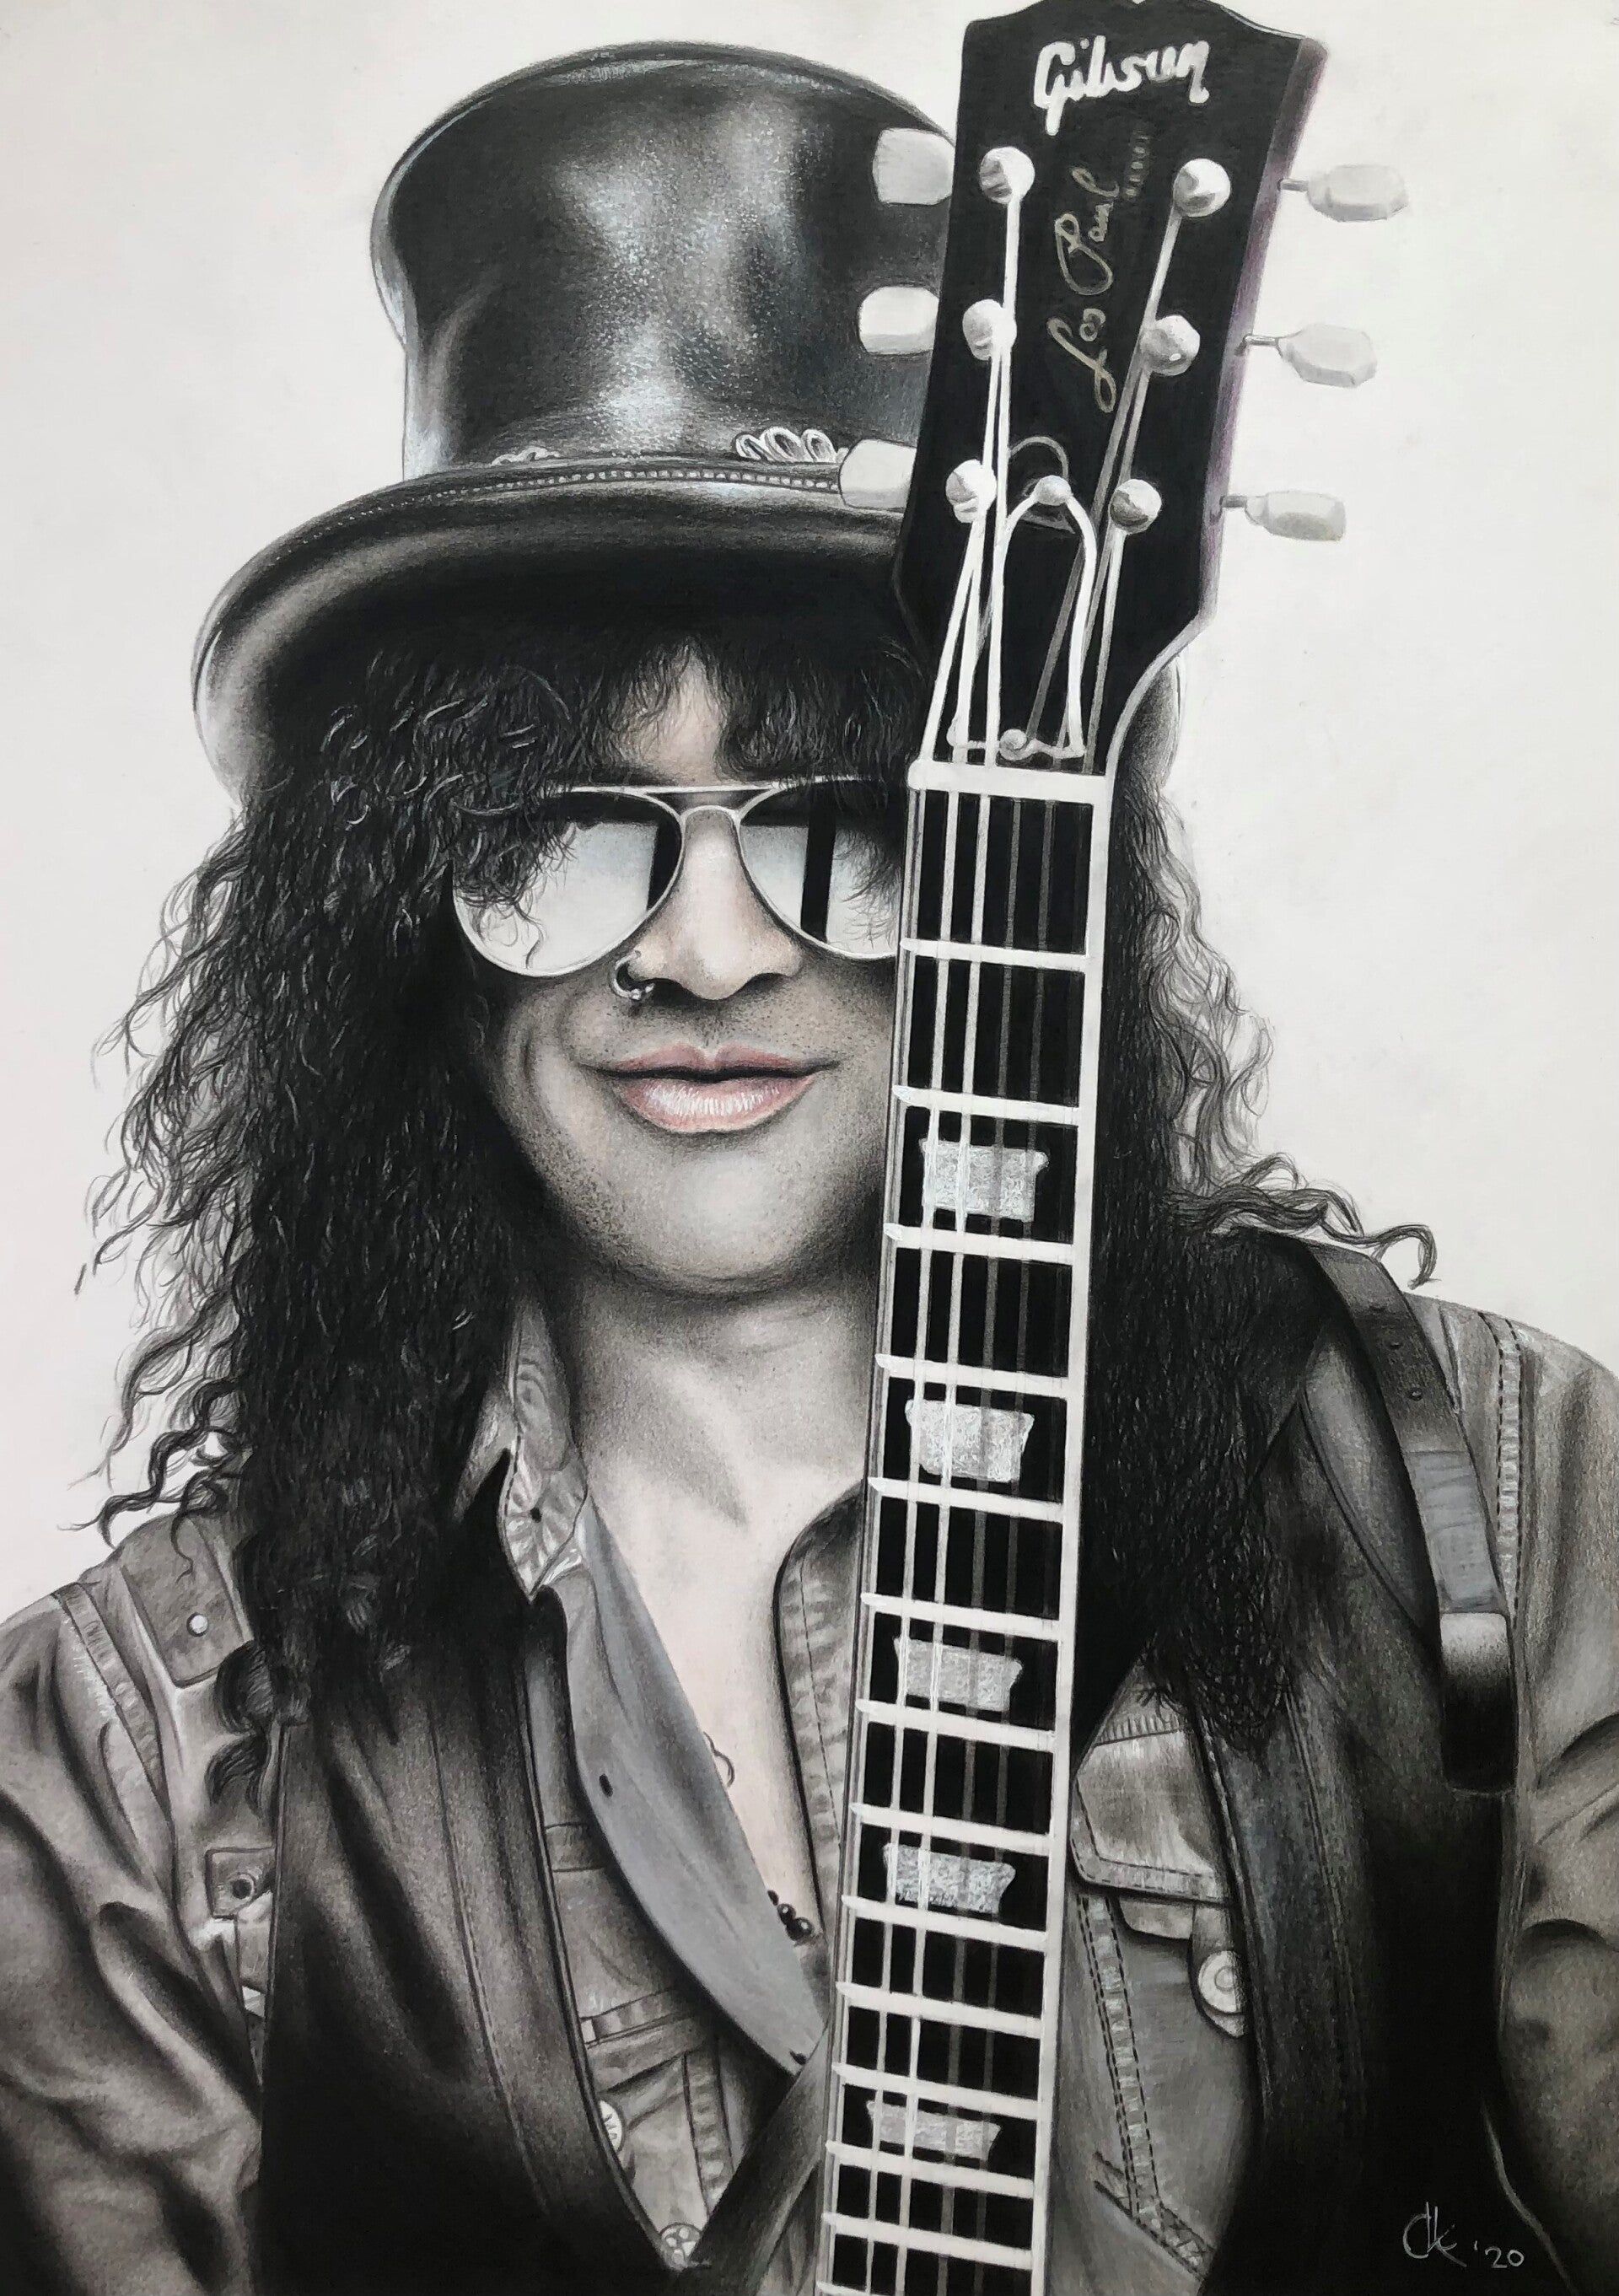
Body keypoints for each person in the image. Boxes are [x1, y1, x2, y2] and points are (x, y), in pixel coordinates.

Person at [1, 42, 1615, 2296]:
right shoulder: (138, 1757)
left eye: (839, 822)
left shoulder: (1489, 1496)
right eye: (558, 830)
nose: (706, 949)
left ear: (1007, 854)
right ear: (395, 913)